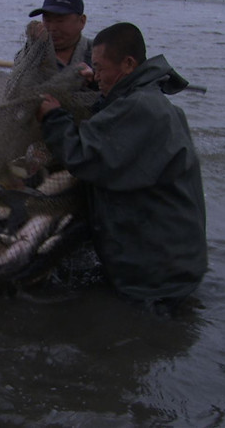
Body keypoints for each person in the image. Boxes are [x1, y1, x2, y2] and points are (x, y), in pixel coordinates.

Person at [37, 22, 208, 307]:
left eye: (101, 68)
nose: (97, 75)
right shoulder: (147, 100)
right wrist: (100, 85)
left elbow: (83, 155)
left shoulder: (141, 108)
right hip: (172, 264)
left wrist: (54, 118)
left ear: (128, 65)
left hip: (159, 275)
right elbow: (112, 123)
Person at [16, 0, 92, 70]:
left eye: (60, 21)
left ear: (82, 21)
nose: (52, 28)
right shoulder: (31, 53)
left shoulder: (97, 54)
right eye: (47, 20)